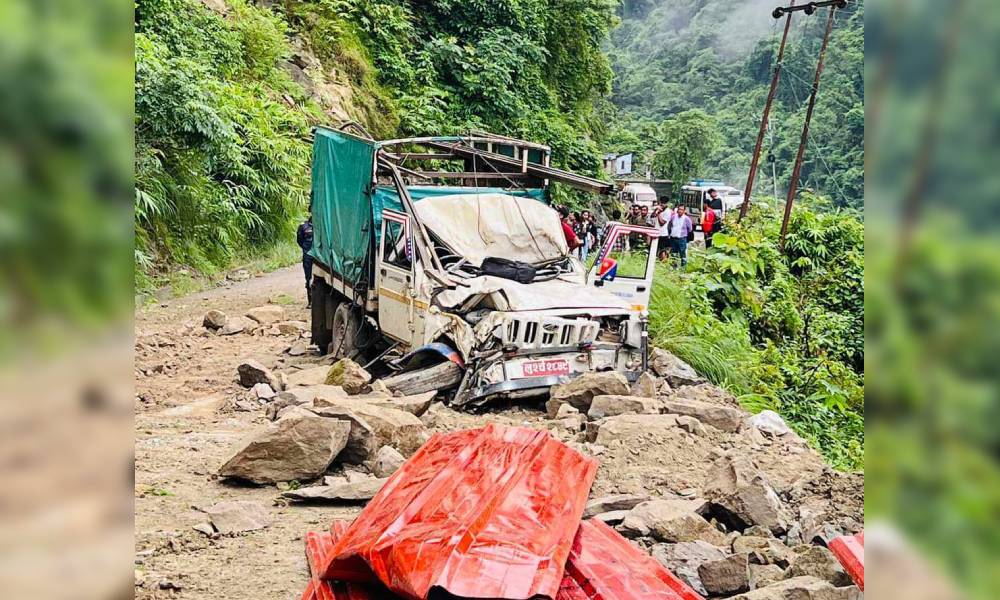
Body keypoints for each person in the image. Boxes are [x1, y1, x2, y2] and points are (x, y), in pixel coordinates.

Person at [296, 215, 314, 306]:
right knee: (309, 277)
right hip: (308, 255)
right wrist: (306, 249)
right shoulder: (304, 226)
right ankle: (310, 301)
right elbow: (299, 240)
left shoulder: (322, 224)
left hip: (320, 256)